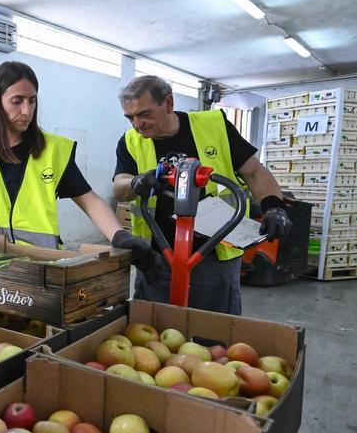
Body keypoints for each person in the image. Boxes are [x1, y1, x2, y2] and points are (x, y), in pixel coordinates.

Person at [0, 61, 159, 276]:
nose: (26, 111)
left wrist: (118, 236)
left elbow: (89, 200)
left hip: (37, 271)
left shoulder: (52, 150)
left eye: (32, 101)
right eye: (17, 101)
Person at [112, 75, 291, 314]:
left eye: (144, 114)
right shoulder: (130, 142)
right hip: (159, 256)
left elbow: (255, 172)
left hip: (215, 253)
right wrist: (136, 182)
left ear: (168, 103)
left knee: (214, 332)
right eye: (130, 117)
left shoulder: (214, 126)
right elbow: (119, 187)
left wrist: (274, 207)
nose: (137, 124)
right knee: (155, 332)